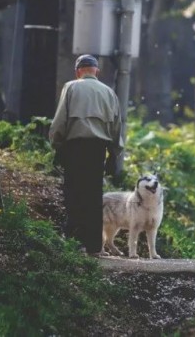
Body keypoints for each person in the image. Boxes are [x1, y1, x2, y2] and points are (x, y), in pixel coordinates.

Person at [49, 54, 123, 255]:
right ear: (96, 71)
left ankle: (75, 242)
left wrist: (57, 145)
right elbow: (117, 128)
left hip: (74, 148)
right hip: (98, 150)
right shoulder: (109, 93)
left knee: (74, 193)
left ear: (78, 71)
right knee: (93, 195)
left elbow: (59, 122)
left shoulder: (71, 87)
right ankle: (94, 246)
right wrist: (114, 155)